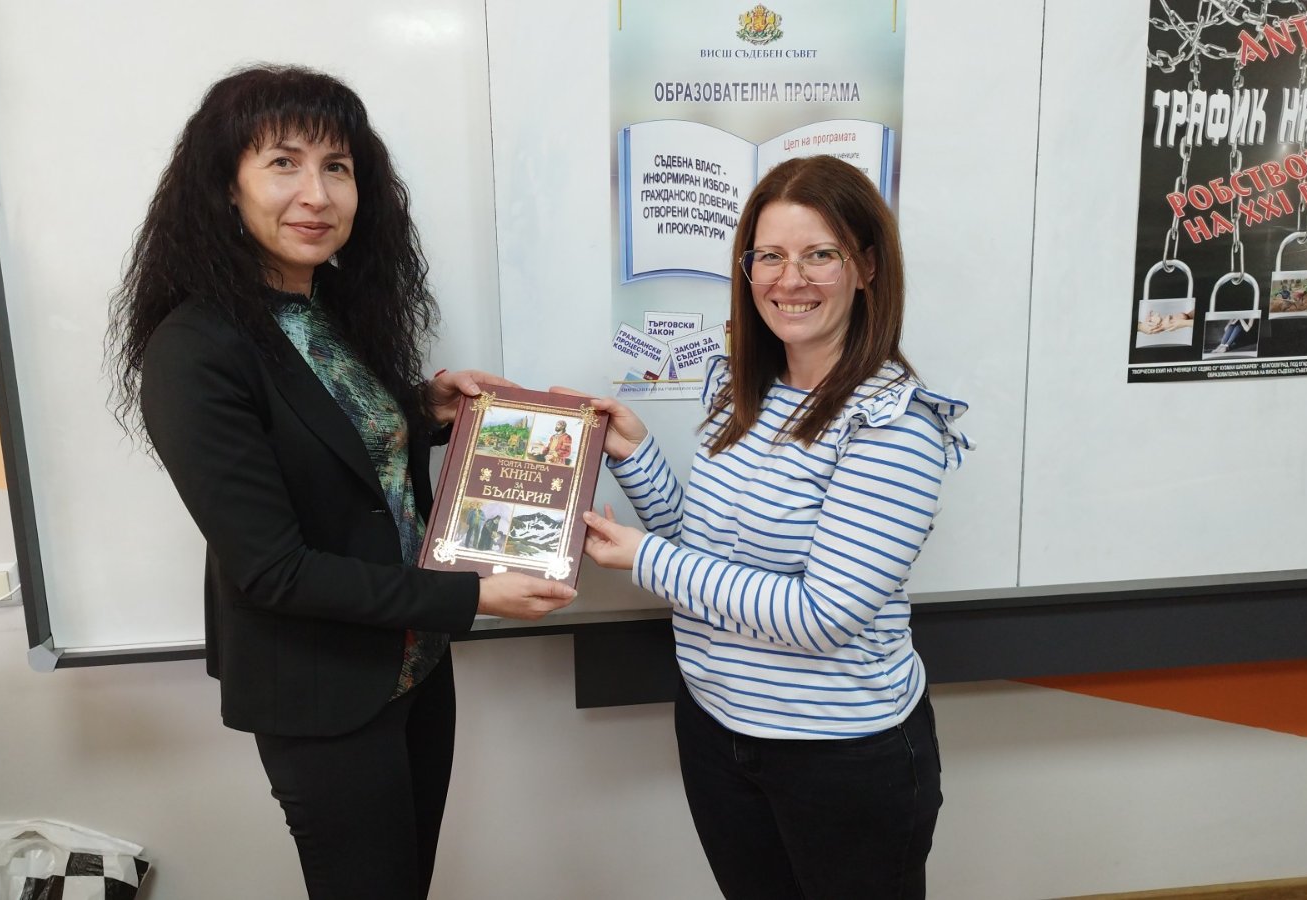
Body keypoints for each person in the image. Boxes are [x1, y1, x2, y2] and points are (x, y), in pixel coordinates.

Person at [105, 64, 575, 899]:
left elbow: (338, 449)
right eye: (283, 163)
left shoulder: (327, 310)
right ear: (226, 187)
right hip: (323, 691)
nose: (316, 194)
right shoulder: (195, 350)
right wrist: (471, 595)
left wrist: (423, 412)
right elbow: (273, 570)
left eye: (337, 167)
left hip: (413, 667)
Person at [577, 155, 971, 900]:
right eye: (770, 256)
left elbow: (823, 616)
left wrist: (644, 559)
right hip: (717, 729)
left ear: (867, 267)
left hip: (840, 757)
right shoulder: (739, 389)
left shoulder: (893, 424)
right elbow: (704, 551)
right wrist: (634, 455)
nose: (791, 280)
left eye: (820, 254)